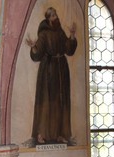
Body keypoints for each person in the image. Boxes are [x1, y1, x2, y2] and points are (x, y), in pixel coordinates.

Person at [26, 7, 77, 145]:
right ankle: (42, 134)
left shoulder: (60, 32)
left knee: (61, 101)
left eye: (56, 15)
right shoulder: (44, 34)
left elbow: (69, 49)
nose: (56, 17)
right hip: (48, 70)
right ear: (48, 18)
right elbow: (37, 54)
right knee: (47, 102)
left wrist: (72, 36)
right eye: (53, 16)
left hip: (61, 69)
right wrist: (33, 47)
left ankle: (60, 133)